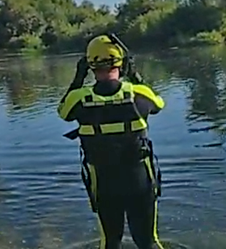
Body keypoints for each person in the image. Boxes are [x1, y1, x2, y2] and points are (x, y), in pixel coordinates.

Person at [58, 34, 166, 249]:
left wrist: (78, 77)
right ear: (121, 62)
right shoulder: (139, 94)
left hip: (104, 183)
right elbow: (159, 103)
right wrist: (134, 74)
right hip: (140, 180)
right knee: (148, 241)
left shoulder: (78, 100)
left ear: (89, 65)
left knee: (110, 243)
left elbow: (64, 112)